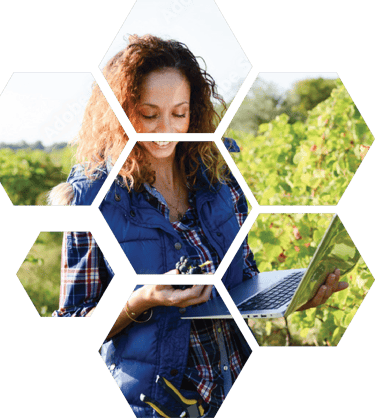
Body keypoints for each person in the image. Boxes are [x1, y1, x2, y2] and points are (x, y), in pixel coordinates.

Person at [49, 35, 347, 417]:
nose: (167, 129)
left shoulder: (220, 180)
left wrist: (292, 297)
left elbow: (244, 279)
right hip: (159, 405)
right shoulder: (90, 200)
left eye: (179, 112)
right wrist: (140, 300)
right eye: (149, 113)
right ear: (120, 113)